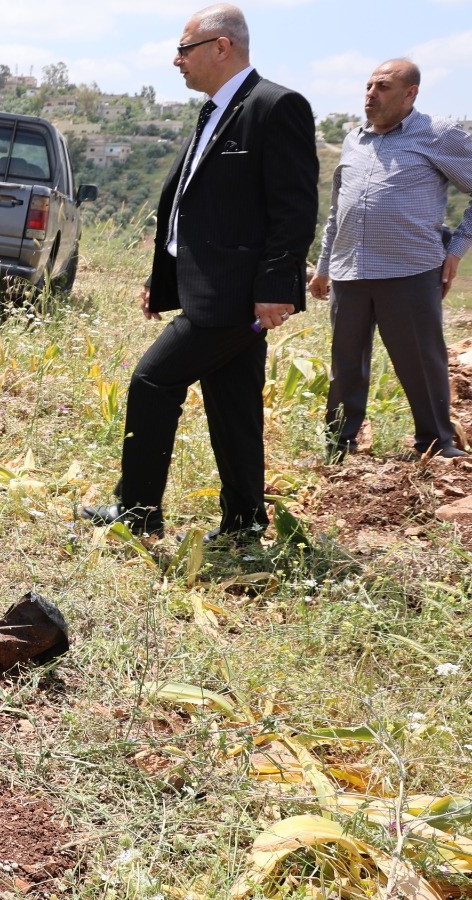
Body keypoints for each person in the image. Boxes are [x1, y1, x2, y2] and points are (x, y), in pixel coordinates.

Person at [78, 3, 317, 542]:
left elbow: (294, 209)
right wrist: (161, 278)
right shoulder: (213, 112)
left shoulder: (275, 107)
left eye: (184, 49)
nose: (176, 61)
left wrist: (277, 287)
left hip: (237, 295)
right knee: (233, 406)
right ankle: (245, 521)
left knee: (152, 380)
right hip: (210, 287)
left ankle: (138, 512)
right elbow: (191, 206)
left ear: (221, 47)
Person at [310, 59, 472, 462]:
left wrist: (456, 249)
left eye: (382, 86)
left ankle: (437, 443)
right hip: (349, 271)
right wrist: (324, 265)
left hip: (411, 271)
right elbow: (337, 213)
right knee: (346, 365)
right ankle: (339, 446)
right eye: (368, 86)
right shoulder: (353, 140)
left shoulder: (437, 135)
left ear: (410, 93)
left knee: (421, 360)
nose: (371, 94)